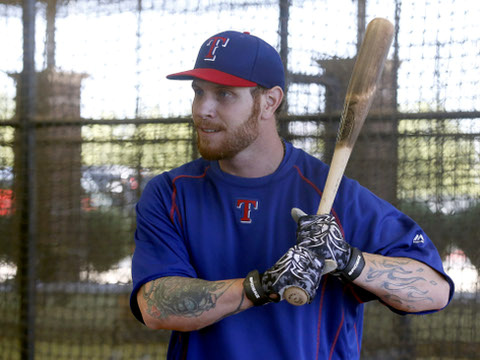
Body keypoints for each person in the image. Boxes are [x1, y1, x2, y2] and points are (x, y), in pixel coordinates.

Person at [129, 30, 454, 360]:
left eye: (224, 94)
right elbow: (155, 305)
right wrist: (262, 287)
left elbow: (434, 292)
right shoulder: (170, 193)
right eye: (199, 92)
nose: (203, 109)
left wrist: (347, 260)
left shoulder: (333, 194)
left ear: (269, 101)